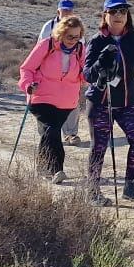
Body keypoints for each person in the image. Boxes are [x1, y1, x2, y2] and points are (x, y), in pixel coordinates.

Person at [85, 0, 134, 199]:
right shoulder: (97, 40)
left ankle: (130, 187)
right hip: (101, 102)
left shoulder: (133, 38)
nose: (118, 15)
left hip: (128, 103)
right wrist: (101, 63)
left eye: (123, 11)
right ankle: (92, 191)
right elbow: (88, 75)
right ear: (105, 15)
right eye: (114, 12)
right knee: (99, 147)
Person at [19, 16, 87, 181]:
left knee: (51, 131)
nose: (73, 40)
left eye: (77, 37)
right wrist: (28, 85)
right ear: (61, 33)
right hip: (41, 97)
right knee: (52, 129)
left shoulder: (80, 49)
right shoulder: (46, 45)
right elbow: (26, 68)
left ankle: (43, 168)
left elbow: (86, 75)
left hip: (66, 101)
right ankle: (57, 169)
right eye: (70, 36)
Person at [37, 0, 87, 145]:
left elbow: (82, 49)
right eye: (64, 10)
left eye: (69, 10)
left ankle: (71, 134)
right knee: (45, 102)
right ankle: (46, 134)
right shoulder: (49, 26)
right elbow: (40, 47)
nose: (66, 13)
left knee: (72, 103)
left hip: (70, 73)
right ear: (58, 11)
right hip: (49, 73)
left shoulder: (78, 27)